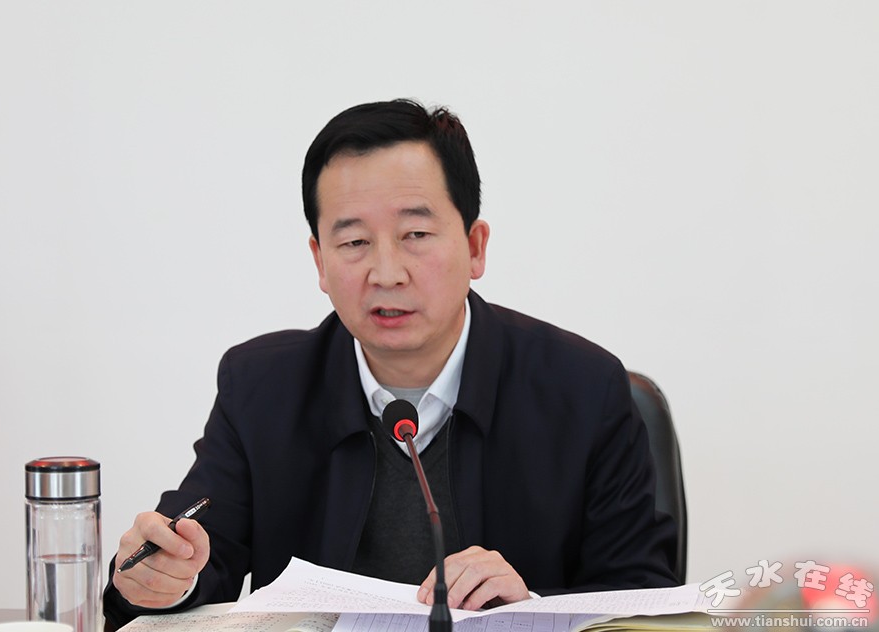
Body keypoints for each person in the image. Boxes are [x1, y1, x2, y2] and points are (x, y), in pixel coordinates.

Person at [103, 99, 679, 627]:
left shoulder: (583, 390)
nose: (386, 272)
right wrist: (162, 578)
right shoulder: (262, 388)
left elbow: (645, 601)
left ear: (475, 247)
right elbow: (202, 554)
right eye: (354, 242)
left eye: (416, 233)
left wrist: (530, 609)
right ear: (320, 262)